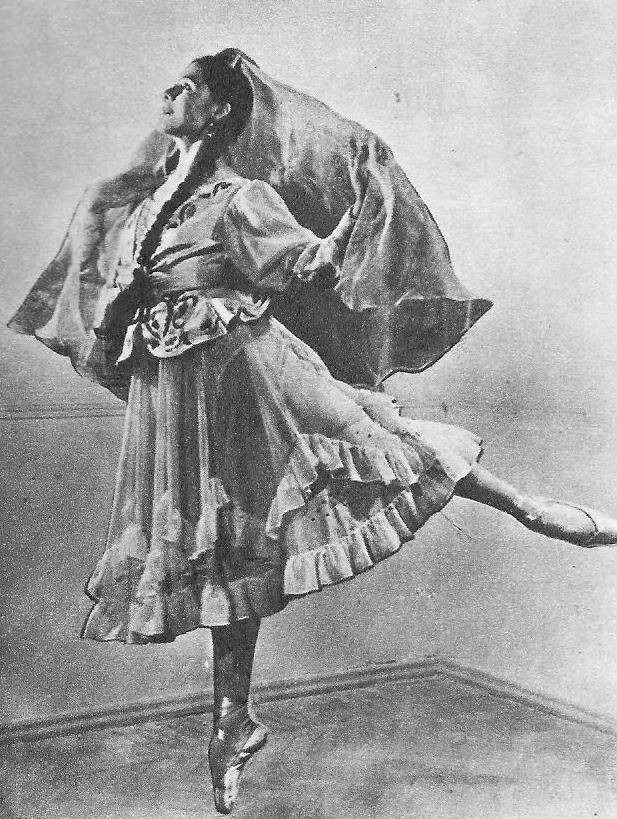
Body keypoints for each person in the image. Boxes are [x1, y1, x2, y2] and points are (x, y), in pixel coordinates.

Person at [9, 51, 617, 815]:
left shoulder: (243, 197)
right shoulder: (141, 200)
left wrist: (355, 225)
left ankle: (528, 506)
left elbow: (306, 263)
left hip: (251, 367)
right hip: (178, 392)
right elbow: (113, 290)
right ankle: (232, 719)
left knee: (374, 440)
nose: (166, 96)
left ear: (220, 110)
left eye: (184, 88)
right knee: (225, 543)